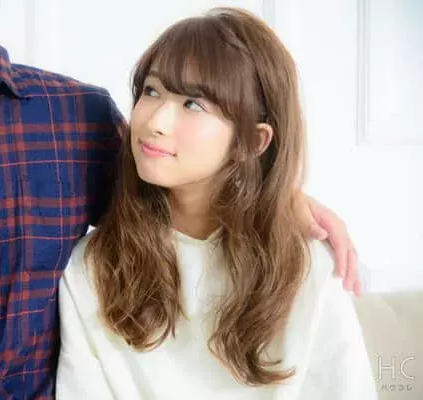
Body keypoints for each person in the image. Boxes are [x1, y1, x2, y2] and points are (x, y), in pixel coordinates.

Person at [0, 1, 361, 399]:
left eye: (186, 101)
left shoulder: (80, 118)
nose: (160, 115)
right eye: (152, 92)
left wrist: (281, 197)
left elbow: (169, 186)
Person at [56, 7, 376, 400]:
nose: (155, 122)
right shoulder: (92, 268)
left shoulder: (308, 265)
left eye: (193, 104)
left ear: (253, 141)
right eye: (151, 91)